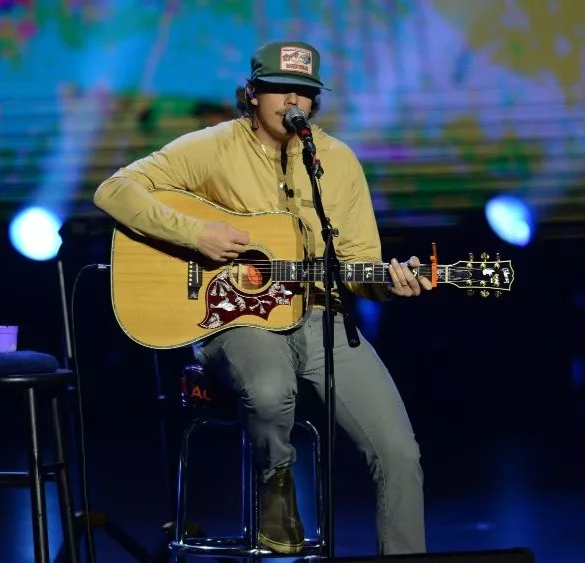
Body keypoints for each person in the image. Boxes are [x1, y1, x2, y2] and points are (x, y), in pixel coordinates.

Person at [93, 40, 432, 556]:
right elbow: (114, 191)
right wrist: (193, 234)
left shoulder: (337, 163)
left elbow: (359, 266)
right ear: (253, 94)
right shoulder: (212, 146)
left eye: (305, 92)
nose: (293, 101)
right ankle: (276, 491)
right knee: (271, 388)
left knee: (400, 452)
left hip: (321, 317)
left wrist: (391, 280)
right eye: (280, 90)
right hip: (233, 320)